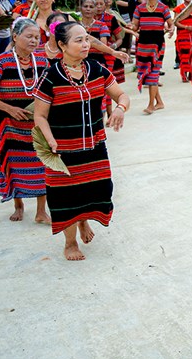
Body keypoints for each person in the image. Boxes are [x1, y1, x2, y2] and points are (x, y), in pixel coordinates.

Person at [32, 21, 130, 260]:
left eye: (87, 39)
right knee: (66, 197)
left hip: (94, 147)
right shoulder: (51, 76)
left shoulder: (96, 69)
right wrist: (50, 141)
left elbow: (121, 94)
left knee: (93, 190)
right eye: (79, 40)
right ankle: (70, 243)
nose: (86, 44)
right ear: (62, 45)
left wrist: (120, 108)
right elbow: (40, 116)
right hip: (63, 150)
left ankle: (84, 220)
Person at [0, 18, 50, 223]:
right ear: (15, 36)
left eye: (37, 37)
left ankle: (40, 211)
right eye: (29, 36)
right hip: (10, 126)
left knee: (41, 164)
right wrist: (9, 109)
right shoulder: (0, 62)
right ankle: (18, 205)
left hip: (36, 124)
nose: (34, 41)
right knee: (14, 164)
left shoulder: (42, 60)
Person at [131, 0, 172, 114]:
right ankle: (159, 102)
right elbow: (135, 26)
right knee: (148, 76)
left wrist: (170, 30)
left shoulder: (163, 8)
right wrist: (130, 28)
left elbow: (171, 24)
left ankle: (151, 105)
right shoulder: (140, 8)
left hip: (157, 46)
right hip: (143, 46)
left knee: (153, 76)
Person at [171, 0, 192, 83]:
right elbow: (175, 22)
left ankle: (191, 74)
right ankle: (184, 74)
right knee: (184, 55)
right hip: (183, 35)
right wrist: (186, 27)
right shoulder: (179, 8)